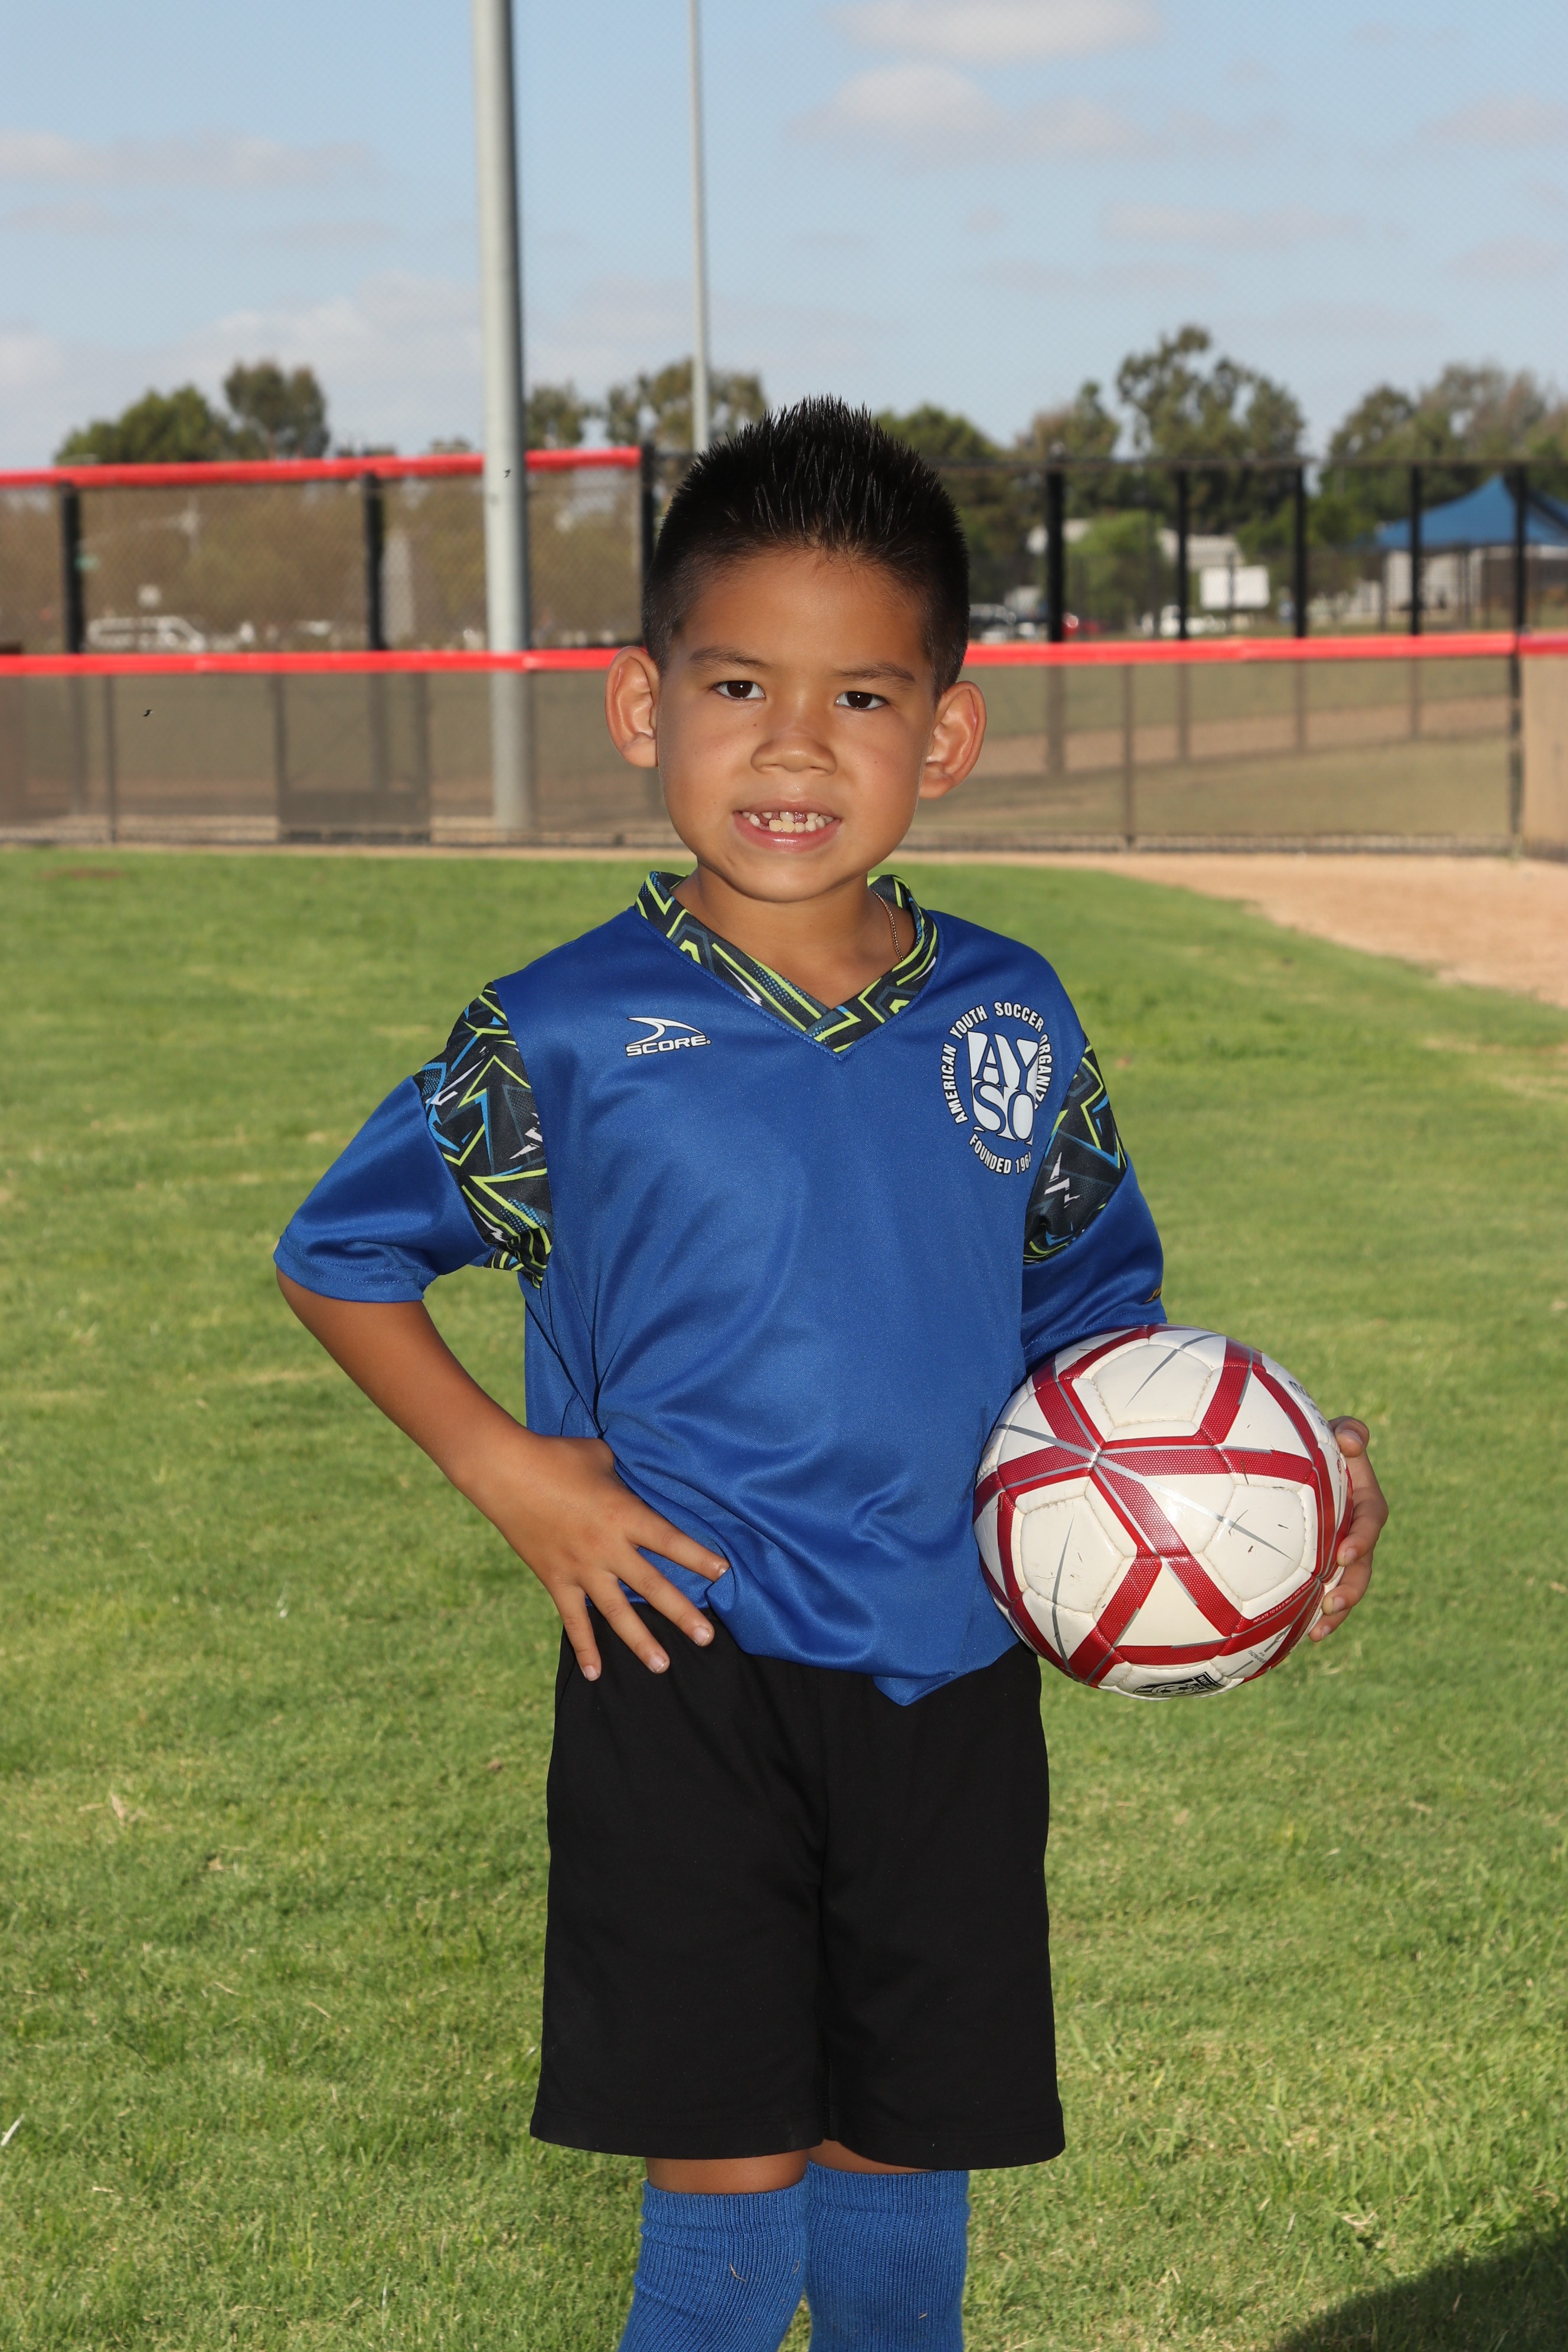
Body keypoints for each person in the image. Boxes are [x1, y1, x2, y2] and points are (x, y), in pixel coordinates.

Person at [275, 400, 1386, 2350]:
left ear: (944, 734)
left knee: (903, 2164)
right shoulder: (563, 1034)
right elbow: (339, 1255)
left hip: (953, 1668)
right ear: (644, 707)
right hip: (680, 1664)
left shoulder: (1010, 1017)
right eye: (738, 687)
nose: (795, 747)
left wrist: (1276, 1487)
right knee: (724, 2179)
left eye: (861, 697)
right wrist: (510, 1470)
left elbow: (1097, 1330)